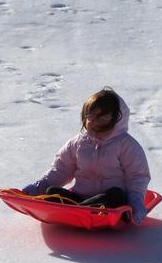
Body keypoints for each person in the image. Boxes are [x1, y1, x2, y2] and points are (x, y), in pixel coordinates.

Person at [22, 87, 151, 224]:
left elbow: (137, 176)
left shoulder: (126, 144)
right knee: (51, 190)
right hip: (81, 198)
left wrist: (136, 202)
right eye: (91, 116)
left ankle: (75, 212)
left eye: (103, 118)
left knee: (116, 195)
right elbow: (61, 169)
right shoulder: (78, 142)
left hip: (109, 203)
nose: (95, 122)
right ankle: (80, 210)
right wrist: (37, 188)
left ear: (117, 119)